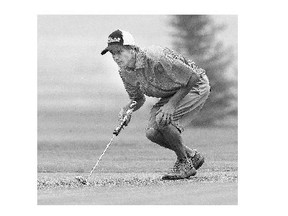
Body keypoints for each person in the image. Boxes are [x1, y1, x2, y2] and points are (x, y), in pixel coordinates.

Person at [101, 29, 211, 180]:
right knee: (152, 133)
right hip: (173, 92)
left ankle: (184, 163)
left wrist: (171, 105)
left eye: (119, 51)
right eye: (112, 53)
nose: (115, 57)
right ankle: (192, 156)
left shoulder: (155, 58)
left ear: (132, 49)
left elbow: (192, 76)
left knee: (163, 120)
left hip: (195, 85)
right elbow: (138, 99)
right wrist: (128, 109)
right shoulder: (125, 72)